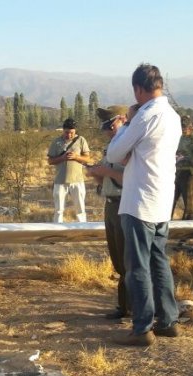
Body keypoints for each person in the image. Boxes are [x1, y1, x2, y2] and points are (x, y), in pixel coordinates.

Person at [106, 64, 182, 346]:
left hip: (139, 201)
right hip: (162, 200)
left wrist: (126, 122)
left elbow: (114, 151)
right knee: (159, 261)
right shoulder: (173, 115)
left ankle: (142, 328)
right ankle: (168, 321)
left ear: (138, 89)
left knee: (137, 266)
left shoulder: (145, 115)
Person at [86, 105, 131, 320]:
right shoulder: (112, 146)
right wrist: (96, 173)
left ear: (122, 120)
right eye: (105, 127)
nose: (107, 130)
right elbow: (106, 178)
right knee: (117, 259)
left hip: (125, 204)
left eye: (110, 125)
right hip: (111, 204)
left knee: (127, 258)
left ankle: (132, 308)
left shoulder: (129, 146)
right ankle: (124, 306)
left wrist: (105, 171)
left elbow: (131, 178)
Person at [47, 118, 91, 222]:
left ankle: (83, 230)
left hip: (77, 180)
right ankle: (57, 231)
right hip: (60, 180)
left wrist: (76, 157)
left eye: (71, 133)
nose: (69, 135)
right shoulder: (56, 142)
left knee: (80, 209)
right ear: (63, 130)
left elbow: (88, 159)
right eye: (67, 132)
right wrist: (62, 158)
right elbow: (50, 161)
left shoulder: (81, 140)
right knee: (58, 210)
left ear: (75, 131)